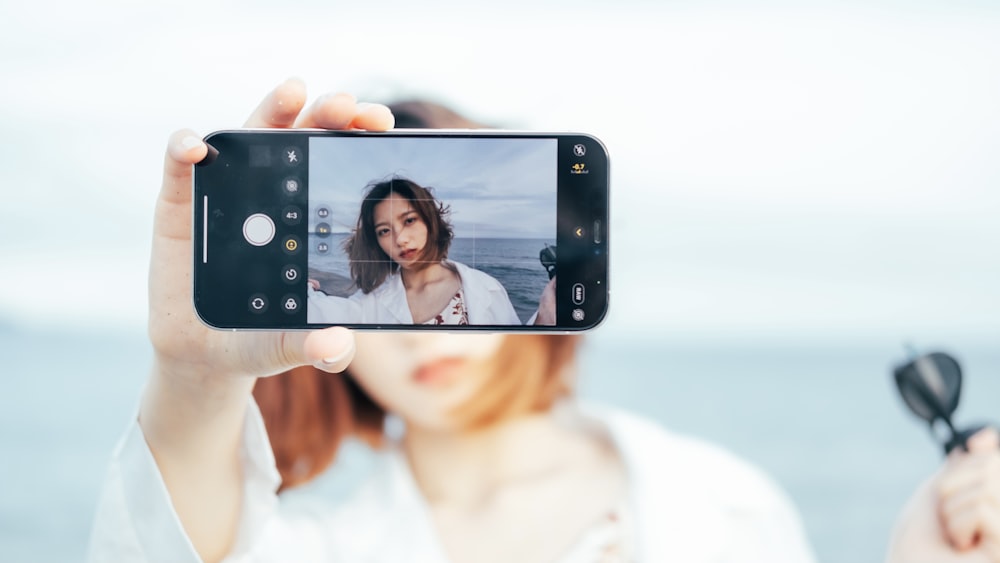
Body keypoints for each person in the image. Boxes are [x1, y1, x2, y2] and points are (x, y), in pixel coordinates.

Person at [87, 79, 1000, 563]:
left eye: (412, 222)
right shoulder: (326, 543)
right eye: (382, 233)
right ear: (346, 348)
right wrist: (196, 379)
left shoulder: (721, 498)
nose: (438, 341)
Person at [307, 176, 552, 325]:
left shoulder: (484, 289)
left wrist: (545, 318)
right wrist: (299, 289)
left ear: (429, 220)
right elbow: (324, 314)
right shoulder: (372, 301)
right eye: (384, 231)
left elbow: (513, 356)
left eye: (409, 220)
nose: (400, 239)